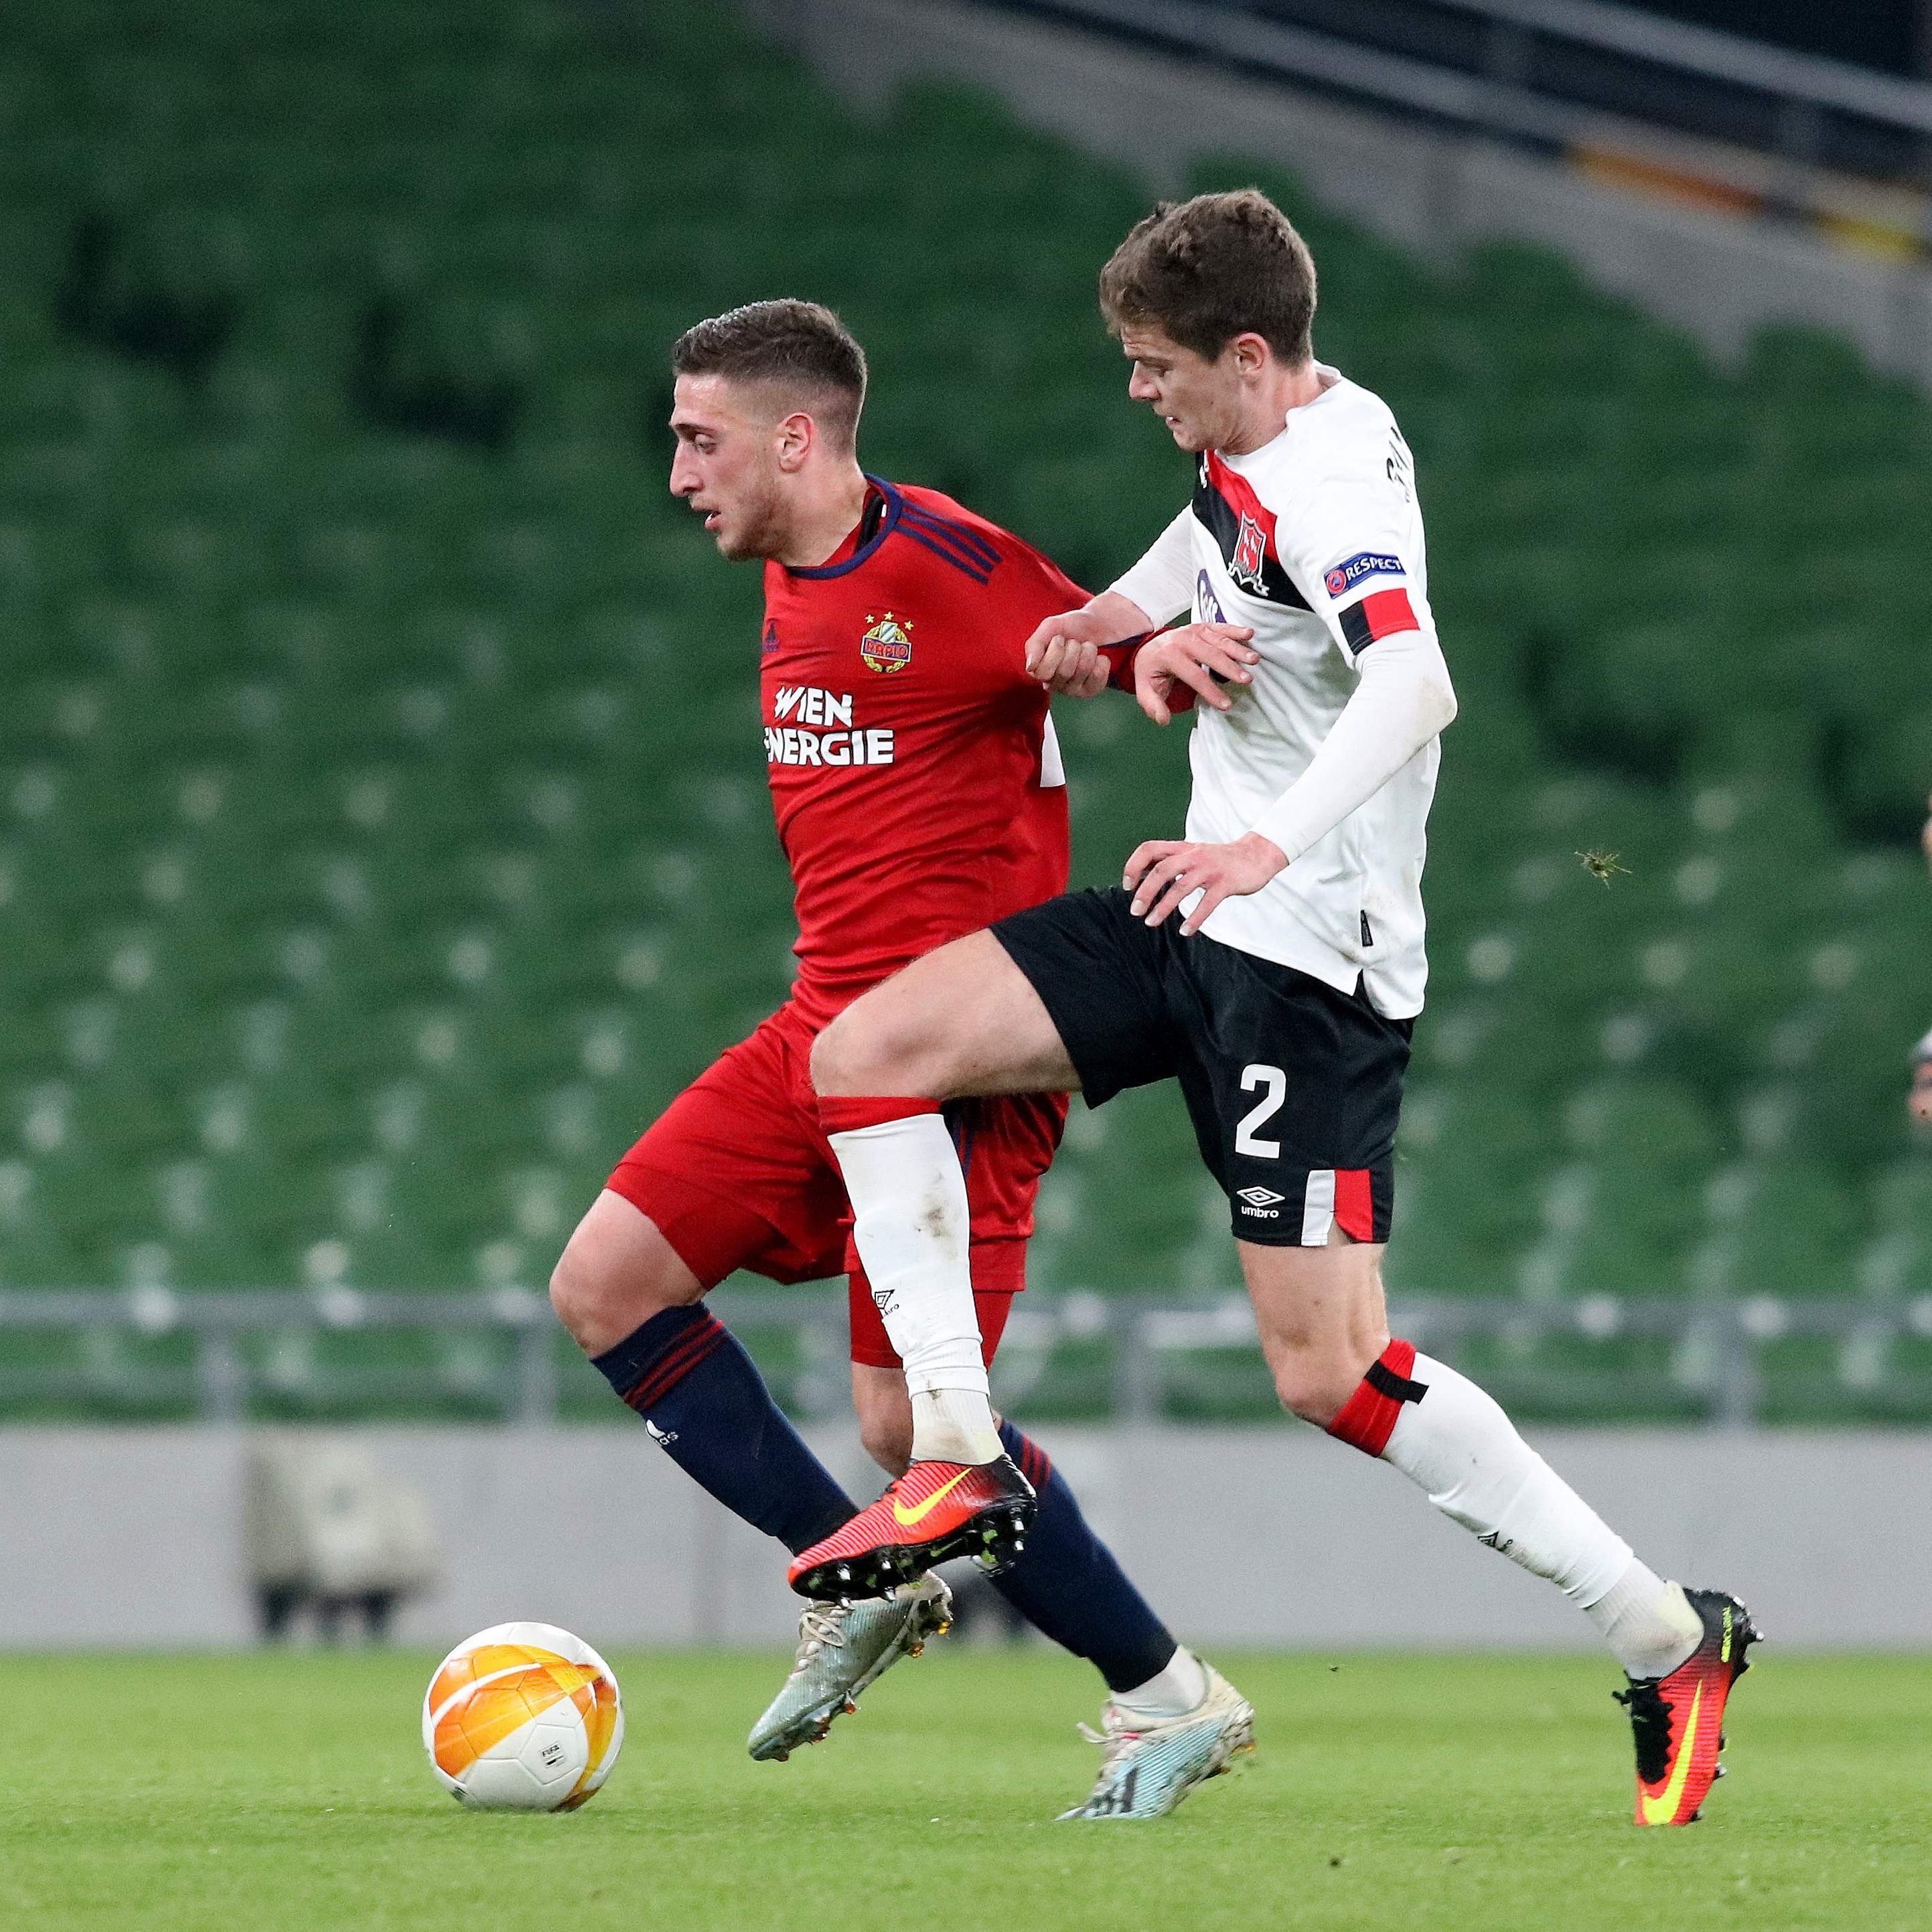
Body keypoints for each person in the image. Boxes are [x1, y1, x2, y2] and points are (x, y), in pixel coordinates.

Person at [795, 194, 1757, 1829]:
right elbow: (1210, 535)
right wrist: (1119, 615)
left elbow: (1415, 678)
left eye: (1155, 365)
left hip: (1303, 965)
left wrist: (1261, 842)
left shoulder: (1330, 485)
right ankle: (953, 1452)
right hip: (1192, 916)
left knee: (1334, 1374)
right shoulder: (1292, 422)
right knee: (865, 1051)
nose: (1136, 389)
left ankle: (1670, 1638)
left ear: (1247, 357)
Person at [546, 299, 1252, 1819]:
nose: (679, 474)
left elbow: (1090, 639)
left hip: (954, 1063)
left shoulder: (937, 561)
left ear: (795, 437)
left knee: (911, 1430)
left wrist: (1144, 663)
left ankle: (1168, 1696)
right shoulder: (795, 566)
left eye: (700, 440)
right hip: (822, 1029)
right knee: (603, 1285)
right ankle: (856, 1582)